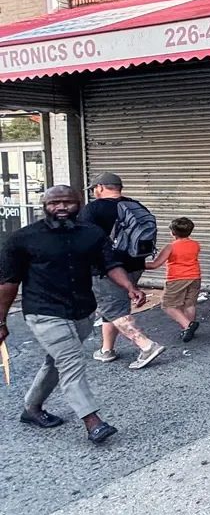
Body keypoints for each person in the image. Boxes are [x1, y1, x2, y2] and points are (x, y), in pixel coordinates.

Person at [0, 186, 146, 444]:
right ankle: (93, 422)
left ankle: (32, 409)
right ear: (44, 205)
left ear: (79, 203)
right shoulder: (23, 238)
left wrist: (130, 287)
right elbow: (9, 283)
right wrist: (1, 320)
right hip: (43, 311)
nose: (62, 207)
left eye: (68, 202)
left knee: (55, 362)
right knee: (71, 361)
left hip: (82, 310)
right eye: (55, 203)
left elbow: (109, 264)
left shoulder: (91, 234)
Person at [80, 172, 165, 370]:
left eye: (94, 189)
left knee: (113, 307)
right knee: (114, 306)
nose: (94, 192)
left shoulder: (93, 209)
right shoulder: (136, 205)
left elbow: (83, 241)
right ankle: (106, 349)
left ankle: (147, 346)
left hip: (108, 269)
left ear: (100, 188)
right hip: (135, 265)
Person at [144, 217, 201, 342]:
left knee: (167, 305)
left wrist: (135, 265)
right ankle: (188, 331)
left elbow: (155, 264)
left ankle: (188, 326)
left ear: (172, 232)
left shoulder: (170, 247)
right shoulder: (195, 244)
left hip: (177, 279)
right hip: (195, 277)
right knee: (189, 304)